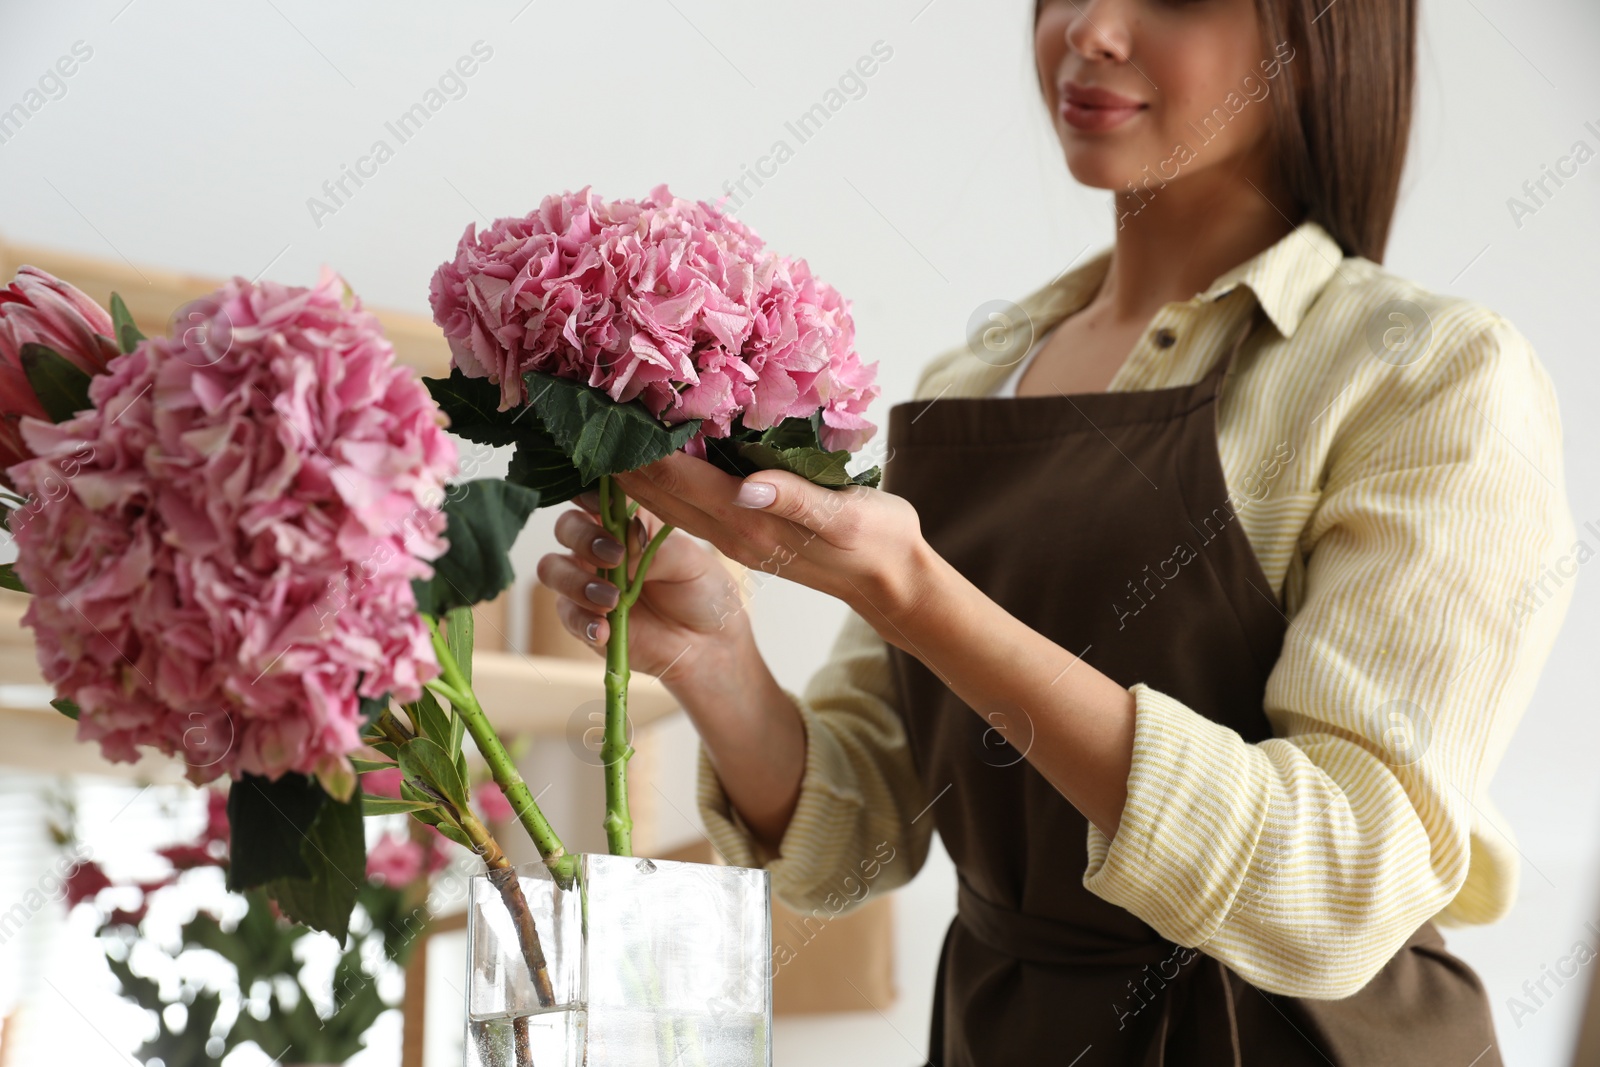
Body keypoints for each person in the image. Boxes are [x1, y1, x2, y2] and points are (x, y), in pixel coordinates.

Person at [534, 0, 1577, 1062]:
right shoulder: (977, 376)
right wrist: (716, 659)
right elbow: (855, 840)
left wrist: (918, 598)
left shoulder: (1427, 373)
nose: (1091, 29)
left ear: (1314, 42)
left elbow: (1340, 882)